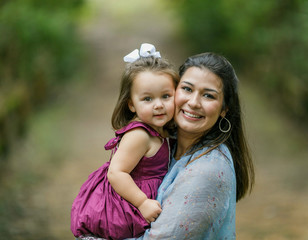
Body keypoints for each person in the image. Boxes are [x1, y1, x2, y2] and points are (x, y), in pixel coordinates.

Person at [80, 52, 255, 239]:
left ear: (224, 109)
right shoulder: (162, 140)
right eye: (187, 89)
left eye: (208, 96)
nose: (193, 102)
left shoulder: (208, 170)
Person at [70, 43, 179, 239]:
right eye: (147, 99)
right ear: (131, 104)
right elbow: (116, 172)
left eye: (166, 96)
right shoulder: (140, 135)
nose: (159, 105)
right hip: (121, 207)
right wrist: (142, 202)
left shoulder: (161, 131)